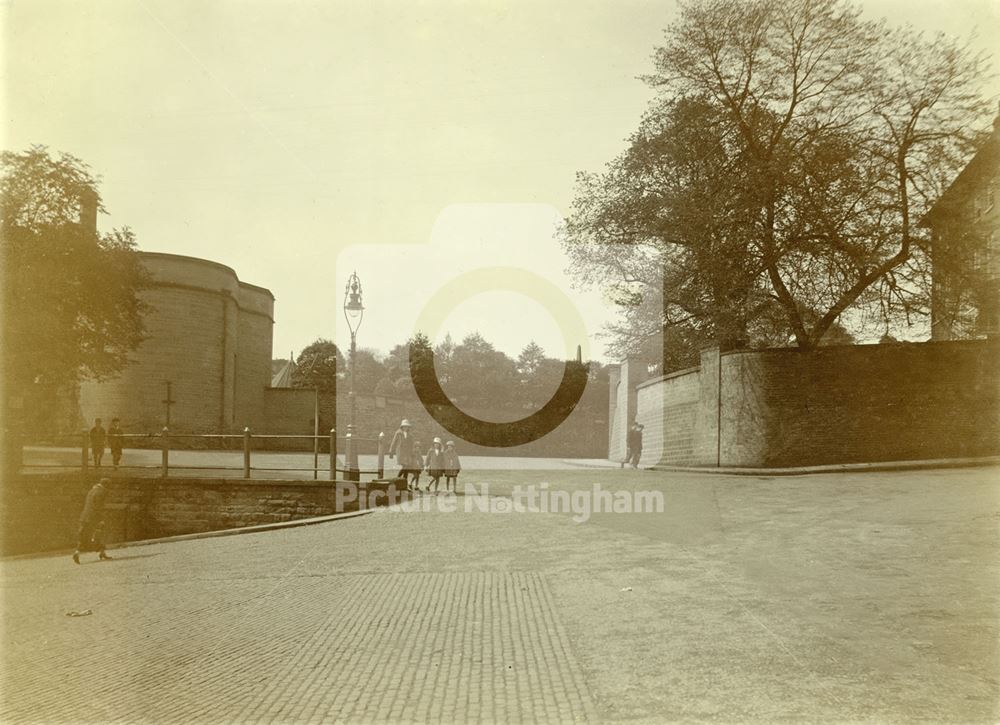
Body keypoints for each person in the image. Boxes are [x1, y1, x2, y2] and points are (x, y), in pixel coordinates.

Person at [73, 478, 112, 564]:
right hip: (93, 517)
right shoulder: (102, 492)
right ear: (106, 485)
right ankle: (78, 553)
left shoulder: (92, 491)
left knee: (84, 535)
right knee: (97, 534)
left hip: (85, 516)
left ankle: (101, 553)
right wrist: (101, 519)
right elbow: (98, 507)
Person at [388, 419, 418, 488]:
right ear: (402, 427)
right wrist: (391, 451)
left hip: (408, 453)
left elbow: (412, 444)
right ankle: (397, 480)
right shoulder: (398, 433)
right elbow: (394, 442)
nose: (406, 428)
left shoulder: (410, 435)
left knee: (406, 468)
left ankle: (403, 483)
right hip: (401, 453)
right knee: (405, 467)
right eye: (404, 426)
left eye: (407, 426)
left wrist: (413, 452)